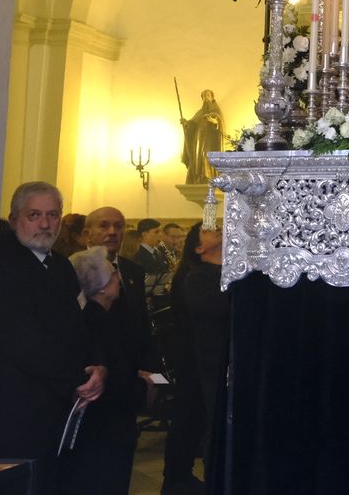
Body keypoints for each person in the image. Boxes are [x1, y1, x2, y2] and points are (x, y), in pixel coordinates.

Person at [0, 182, 105, 495]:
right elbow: (21, 340)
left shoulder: (61, 265)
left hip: (58, 404)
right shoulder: (4, 265)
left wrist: (96, 366)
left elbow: (79, 326)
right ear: (14, 220)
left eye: (53, 215)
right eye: (34, 215)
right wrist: (76, 378)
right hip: (18, 410)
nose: (45, 224)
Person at [83, 208, 163, 483]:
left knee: (122, 458)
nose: (112, 232)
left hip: (131, 378)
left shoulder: (132, 271)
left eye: (118, 226)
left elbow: (141, 324)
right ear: (87, 233)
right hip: (98, 381)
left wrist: (152, 375)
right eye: (103, 226)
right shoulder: (75, 268)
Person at [161, 223, 229, 495]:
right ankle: (180, 477)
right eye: (212, 229)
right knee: (194, 417)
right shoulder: (196, 277)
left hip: (211, 360)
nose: (221, 229)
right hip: (198, 359)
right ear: (199, 247)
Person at [67, 247, 138, 495]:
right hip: (106, 423)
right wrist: (144, 385)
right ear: (102, 287)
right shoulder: (97, 321)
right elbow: (114, 372)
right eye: (114, 275)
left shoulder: (103, 316)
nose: (119, 278)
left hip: (111, 420)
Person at [180, 90, 225, 185]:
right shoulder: (199, 112)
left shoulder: (216, 110)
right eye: (204, 96)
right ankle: (197, 177)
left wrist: (214, 121)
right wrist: (186, 124)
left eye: (208, 95)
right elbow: (192, 125)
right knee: (198, 157)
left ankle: (207, 177)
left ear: (212, 97)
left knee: (206, 157)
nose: (206, 97)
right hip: (199, 141)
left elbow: (219, 122)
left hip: (210, 142)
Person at [134, 218, 173, 299]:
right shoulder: (137, 255)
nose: (160, 235)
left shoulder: (159, 252)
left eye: (160, 231)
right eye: (156, 232)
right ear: (144, 234)